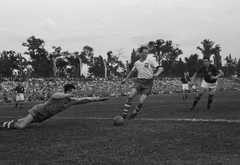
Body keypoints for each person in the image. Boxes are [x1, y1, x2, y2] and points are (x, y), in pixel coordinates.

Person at [0, 84, 108, 130]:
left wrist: (98, 99)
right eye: (73, 92)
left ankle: (4, 124)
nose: (74, 94)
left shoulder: (71, 101)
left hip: (46, 115)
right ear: (68, 91)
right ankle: (3, 124)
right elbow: (54, 95)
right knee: (22, 126)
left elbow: (85, 99)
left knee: (20, 121)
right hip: (38, 110)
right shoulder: (58, 95)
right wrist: (67, 96)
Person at [121, 46, 164, 120]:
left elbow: (161, 68)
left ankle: (134, 113)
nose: (146, 54)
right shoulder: (136, 63)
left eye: (147, 53)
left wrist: (157, 74)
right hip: (139, 81)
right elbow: (132, 71)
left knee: (140, 102)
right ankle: (124, 115)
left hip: (148, 83)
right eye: (144, 53)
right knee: (130, 96)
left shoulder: (150, 61)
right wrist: (126, 79)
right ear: (140, 53)